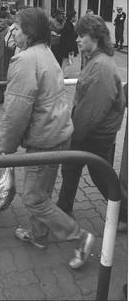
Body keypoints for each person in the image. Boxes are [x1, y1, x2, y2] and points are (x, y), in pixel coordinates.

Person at [0, 7, 95, 270]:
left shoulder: (25, 60)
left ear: (28, 32)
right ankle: (39, 237)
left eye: (16, 27)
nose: (12, 31)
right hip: (57, 132)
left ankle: (80, 237)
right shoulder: (44, 52)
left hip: (45, 138)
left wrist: (5, 148)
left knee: (33, 198)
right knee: (42, 193)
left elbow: (16, 110)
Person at [57, 14, 126, 217]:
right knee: (73, 169)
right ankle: (63, 210)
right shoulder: (96, 61)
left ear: (95, 37)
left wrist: (74, 135)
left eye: (82, 35)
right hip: (93, 133)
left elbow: (92, 112)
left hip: (93, 135)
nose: (77, 39)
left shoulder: (101, 66)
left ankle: (124, 214)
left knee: (100, 177)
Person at [60, 9, 78, 78]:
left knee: (68, 61)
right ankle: (64, 75)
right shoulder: (67, 26)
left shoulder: (69, 24)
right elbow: (68, 38)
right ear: (72, 17)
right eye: (75, 16)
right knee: (67, 61)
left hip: (68, 47)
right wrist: (70, 49)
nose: (76, 18)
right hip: (67, 48)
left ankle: (65, 75)